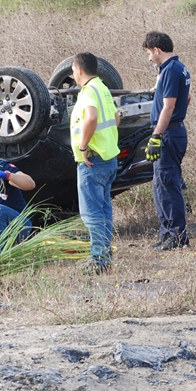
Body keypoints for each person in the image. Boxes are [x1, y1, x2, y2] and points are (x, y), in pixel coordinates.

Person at [70, 52, 120, 272]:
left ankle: (99, 259)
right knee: (104, 209)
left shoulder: (88, 91)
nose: (72, 74)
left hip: (94, 161)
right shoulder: (102, 88)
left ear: (79, 69)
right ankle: (105, 255)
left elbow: (91, 117)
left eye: (72, 70)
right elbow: (116, 118)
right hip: (108, 158)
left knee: (92, 213)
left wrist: (84, 146)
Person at [142, 31, 191, 250]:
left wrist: (156, 135)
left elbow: (169, 105)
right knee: (160, 185)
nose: (149, 58)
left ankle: (177, 236)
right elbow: (187, 98)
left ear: (157, 50)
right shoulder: (178, 68)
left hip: (169, 134)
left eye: (149, 53)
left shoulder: (171, 70)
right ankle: (166, 232)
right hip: (173, 130)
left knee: (168, 185)